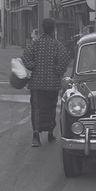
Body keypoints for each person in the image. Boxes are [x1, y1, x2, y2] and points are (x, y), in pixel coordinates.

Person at [22, 17, 71, 147]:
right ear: (53, 29)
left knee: (37, 109)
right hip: (52, 84)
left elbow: (25, 57)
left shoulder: (35, 43)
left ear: (43, 28)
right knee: (50, 108)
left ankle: (36, 135)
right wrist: (57, 71)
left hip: (36, 83)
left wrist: (33, 66)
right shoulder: (57, 45)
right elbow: (64, 60)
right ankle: (50, 133)